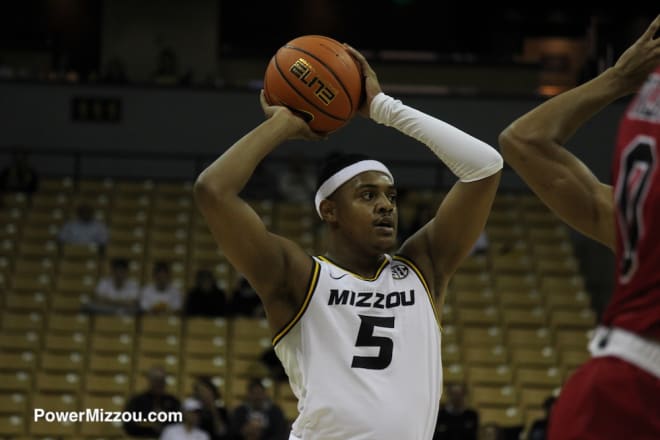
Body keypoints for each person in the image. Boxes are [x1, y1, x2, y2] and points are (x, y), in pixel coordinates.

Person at [194, 43, 502, 439]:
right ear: (330, 211)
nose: (386, 207)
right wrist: (283, 123)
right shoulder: (299, 276)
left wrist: (383, 108)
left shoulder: (423, 268)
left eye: (390, 196)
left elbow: (485, 167)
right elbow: (212, 190)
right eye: (367, 195)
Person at [498, 15, 660, 440]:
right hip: (631, 394)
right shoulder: (637, 225)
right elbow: (521, 143)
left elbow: (524, 141)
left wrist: (620, 79)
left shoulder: (632, 224)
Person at [123, 366, 181, 437]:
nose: (159, 384)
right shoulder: (137, 401)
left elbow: (179, 425)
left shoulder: (173, 402)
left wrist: (163, 425)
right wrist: (149, 424)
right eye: (156, 380)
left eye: (162, 380)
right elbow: (128, 425)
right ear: (150, 381)